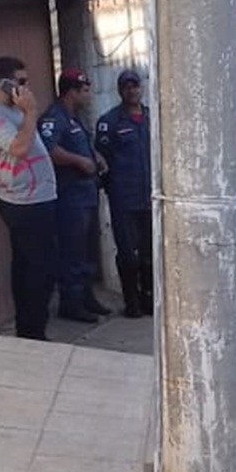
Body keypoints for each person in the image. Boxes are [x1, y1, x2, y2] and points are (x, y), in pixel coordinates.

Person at [0, 57, 59, 341]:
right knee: (39, 270)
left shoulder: (12, 109)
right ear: (4, 84)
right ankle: (33, 332)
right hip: (24, 202)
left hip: (38, 197)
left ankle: (30, 328)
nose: (27, 88)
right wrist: (31, 112)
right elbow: (19, 147)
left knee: (31, 266)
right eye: (21, 82)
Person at [39, 68, 110, 322]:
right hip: (70, 198)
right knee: (73, 252)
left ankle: (86, 296)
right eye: (85, 90)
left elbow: (81, 143)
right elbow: (48, 148)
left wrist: (95, 157)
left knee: (88, 251)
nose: (89, 95)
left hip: (86, 195)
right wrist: (79, 161)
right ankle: (71, 302)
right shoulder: (54, 117)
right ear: (71, 92)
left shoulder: (73, 117)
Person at [96, 70, 153, 318]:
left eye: (135, 86)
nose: (131, 91)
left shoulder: (153, 118)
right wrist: (112, 189)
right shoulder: (110, 122)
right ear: (120, 91)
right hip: (124, 200)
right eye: (126, 87)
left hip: (150, 198)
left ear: (141, 89)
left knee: (150, 254)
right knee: (128, 255)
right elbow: (102, 160)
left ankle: (149, 299)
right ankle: (132, 302)